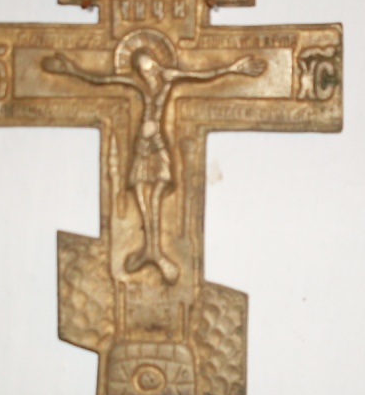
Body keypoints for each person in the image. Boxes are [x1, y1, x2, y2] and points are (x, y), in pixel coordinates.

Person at [42, 46, 265, 284]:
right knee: (140, 196)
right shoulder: (136, 83)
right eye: (141, 69)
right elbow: (102, 79)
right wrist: (72, 70)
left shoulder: (169, 77)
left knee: (156, 196)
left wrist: (233, 68)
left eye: (148, 66)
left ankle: (155, 253)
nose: (146, 72)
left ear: (155, 62)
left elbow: (202, 75)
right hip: (141, 145)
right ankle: (149, 252)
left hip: (158, 145)